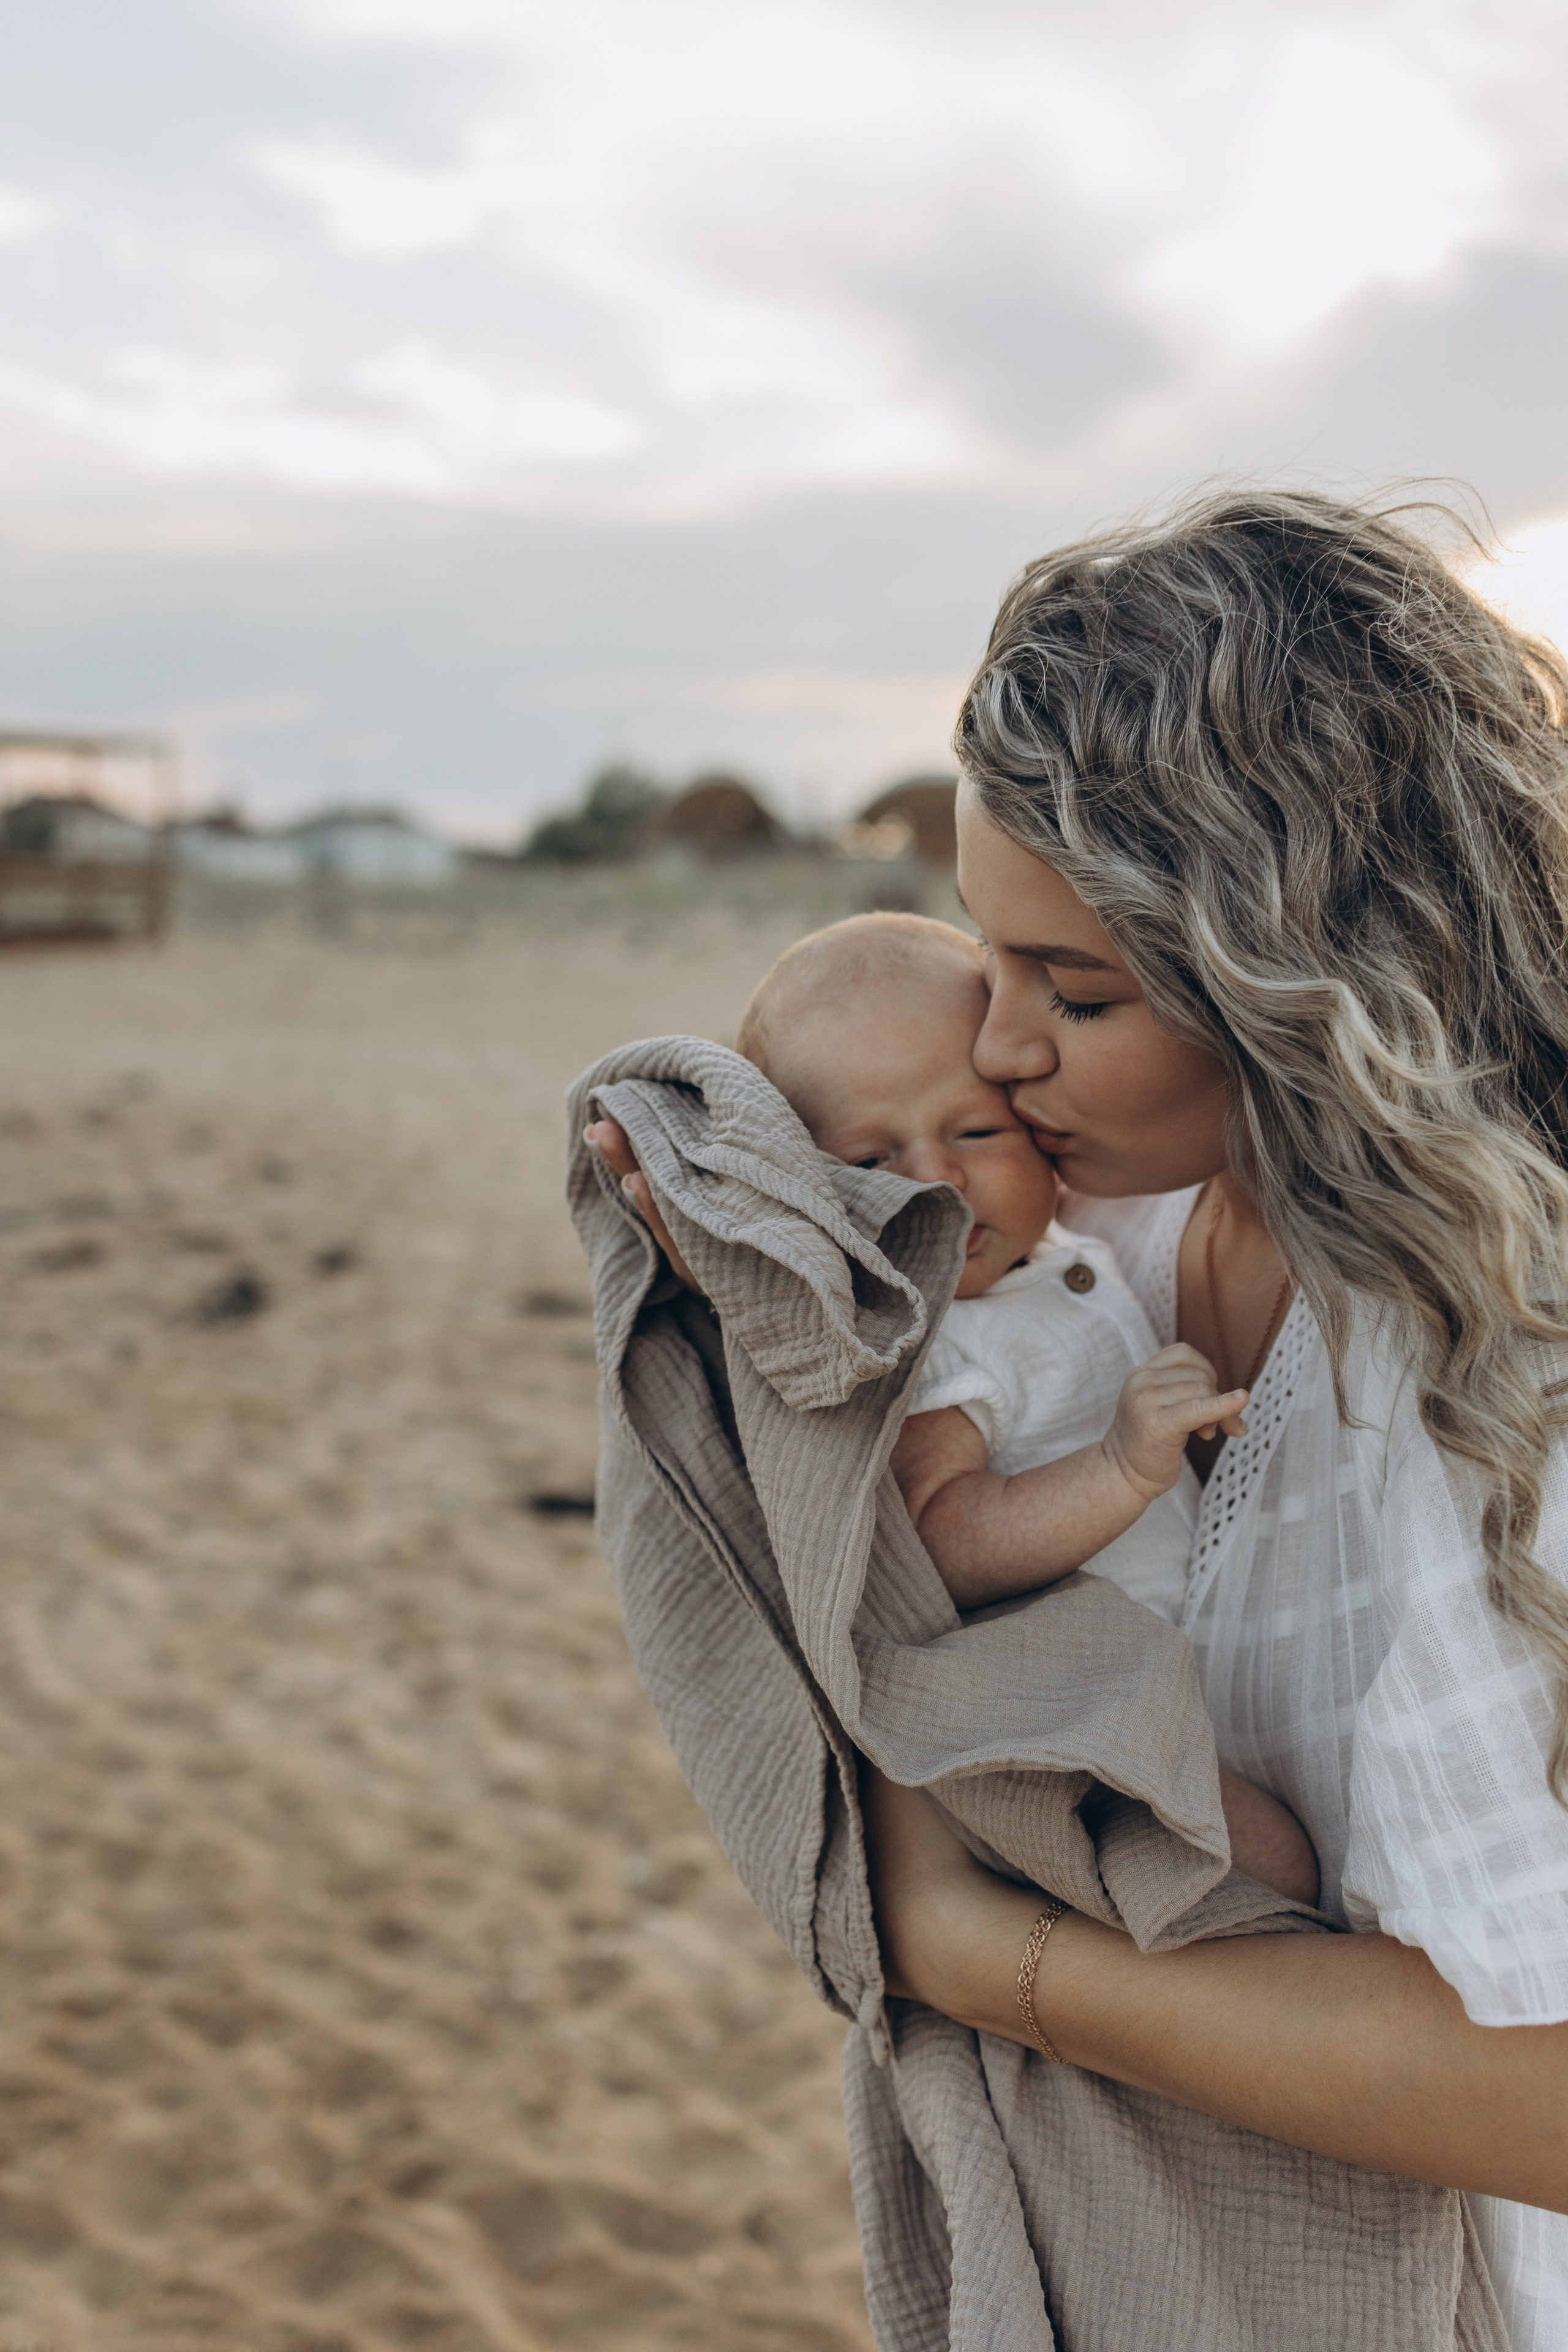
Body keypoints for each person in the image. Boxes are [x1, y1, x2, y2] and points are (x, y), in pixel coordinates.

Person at [594, 489, 1568, 2350]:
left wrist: (987, 1957)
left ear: (1315, 976)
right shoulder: (1102, 1222)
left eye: (1079, 988)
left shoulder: (1494, 1359)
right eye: (990, 960)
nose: (1004, 1052)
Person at [731, 907, 1318, 1904]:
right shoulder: (938, 1337)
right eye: (869, 1166)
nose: (937, 1183)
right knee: (1277, 1865)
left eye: (976, 1130)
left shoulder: (1052, 1252)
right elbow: (940, 1534)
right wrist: (1119, 1468)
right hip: (1079, 1704)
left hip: (1166, 1679)